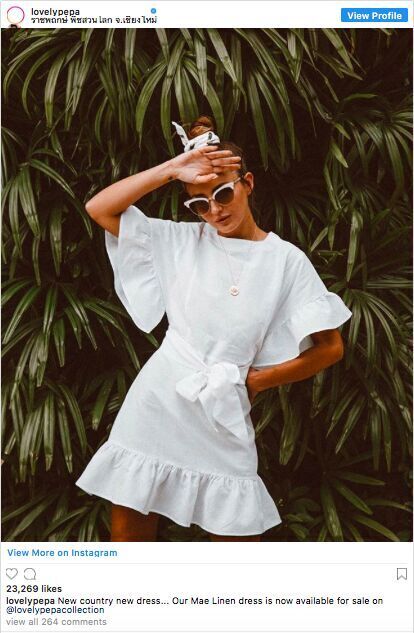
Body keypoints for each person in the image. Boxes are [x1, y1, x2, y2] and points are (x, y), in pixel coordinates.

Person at [76, 115, 352, 542]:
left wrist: (258, 380)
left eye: (223, 193)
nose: (215, 210)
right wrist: (173, 169)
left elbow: (330, 347)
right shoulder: (179, 242)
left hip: (224, 410)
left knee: (235, 547)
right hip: (158, 401)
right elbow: (99, 208)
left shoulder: (286, 261)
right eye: (200, 204)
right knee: (130, 541)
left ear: (248, 183)